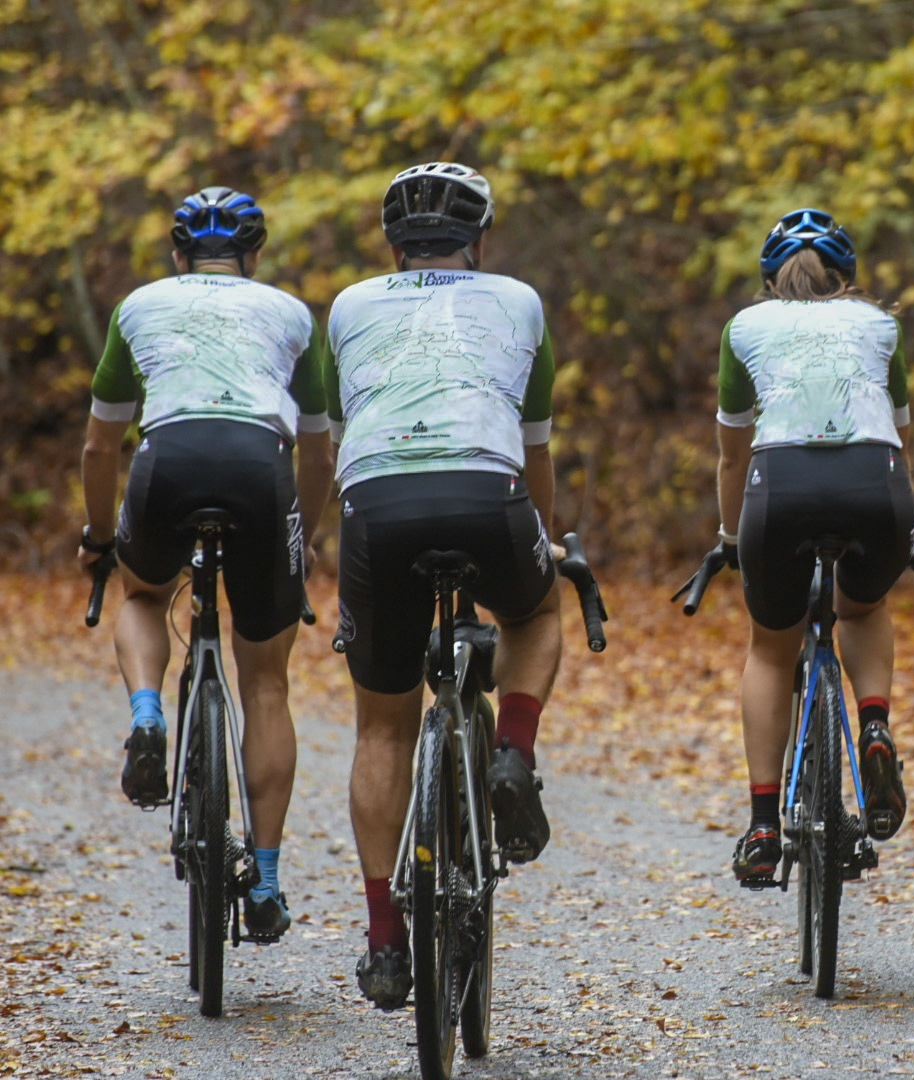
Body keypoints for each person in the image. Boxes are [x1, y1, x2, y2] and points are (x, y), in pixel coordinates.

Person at [325, 161, 564, 1009]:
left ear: (392, 246)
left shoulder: (350, 306)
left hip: (375, 503)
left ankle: (386, 944)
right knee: (538, 614)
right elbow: (533, 445)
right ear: (481, 240)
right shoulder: (520, 300)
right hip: (487, 491)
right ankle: (512, 755)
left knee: (382, 728)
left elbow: (341, 429)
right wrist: (546, 539)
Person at [78, 186, 334, 942]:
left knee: (146, 595)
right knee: (265, 681)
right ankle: (269, 880)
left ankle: (148, 715)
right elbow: (318, 449)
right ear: (253, 258)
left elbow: (99, 445)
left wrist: (100, 537)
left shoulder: (139, 306)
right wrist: (304, 534)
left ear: (177, 255)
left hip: (169, 460)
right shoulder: (290, 313)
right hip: (261, 467)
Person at [714, 208, 914, 885]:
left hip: (781, 486)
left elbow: (730, 456)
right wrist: (899, 533)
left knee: (772, 646)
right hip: (876, 485)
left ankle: (765, 824)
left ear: (772, 281)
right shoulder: (880, 327)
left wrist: (728, 539)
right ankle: (876, 726)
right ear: (847, 279)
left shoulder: (745, 329)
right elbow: (900, 439)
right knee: (861, 607)